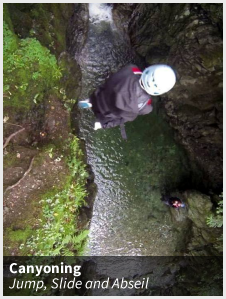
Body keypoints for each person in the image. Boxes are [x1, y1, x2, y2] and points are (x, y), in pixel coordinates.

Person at [78, 64, 176, 139]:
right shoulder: (146, 107)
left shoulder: (131, 69)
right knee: (116, 118)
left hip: (99, 97)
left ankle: (88, 102)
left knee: (98, 96)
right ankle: (99, 125)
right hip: (106, 115)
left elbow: (111, 80)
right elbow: (123, 119)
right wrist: (104, 125)